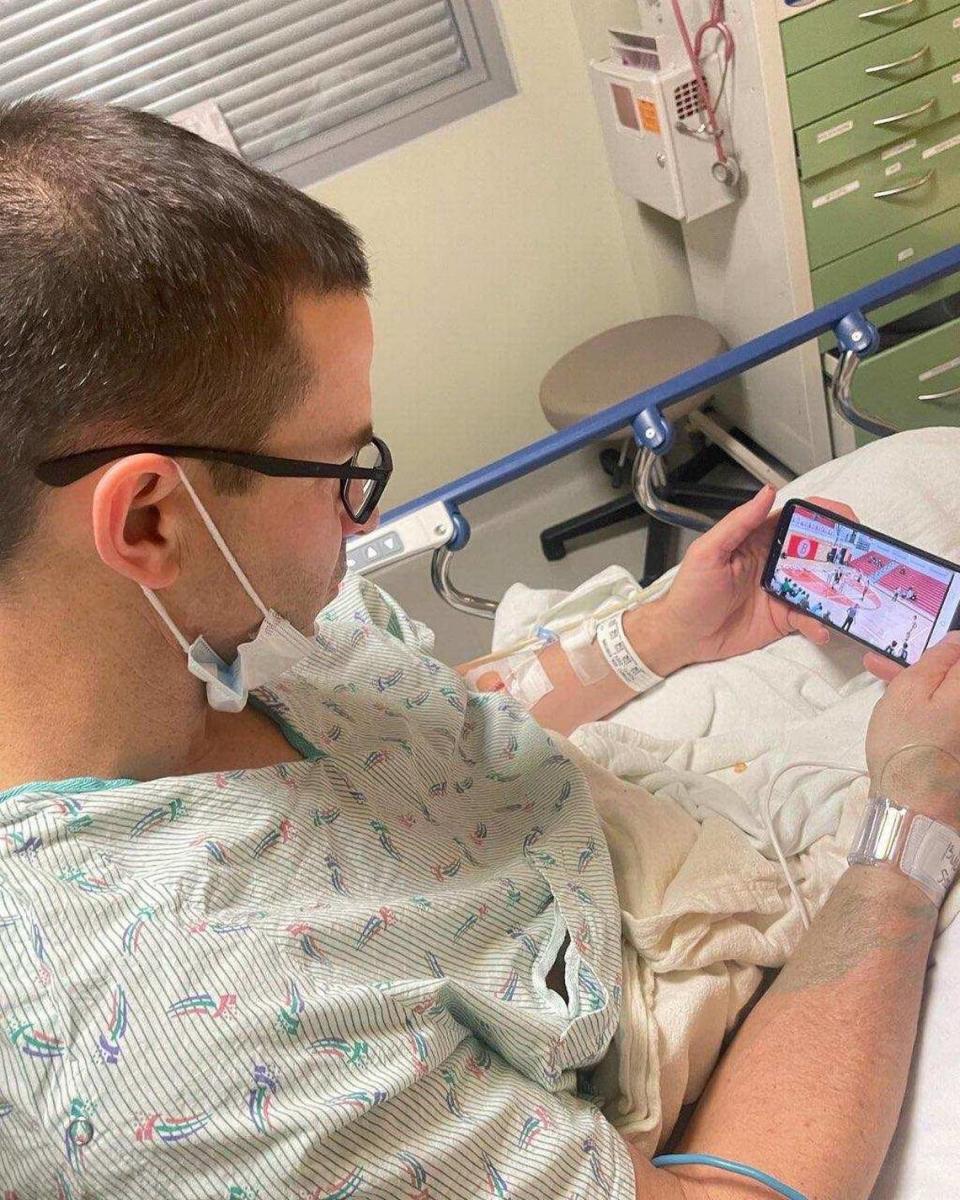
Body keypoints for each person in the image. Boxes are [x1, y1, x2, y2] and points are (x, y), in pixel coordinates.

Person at [0, 96, 957, 1200]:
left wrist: (652, 642)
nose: (361, 519)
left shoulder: (178, 644)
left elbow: (388, 720)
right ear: (151, 523)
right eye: (344, 469)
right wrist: (914, 816)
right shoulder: (198, 1053)